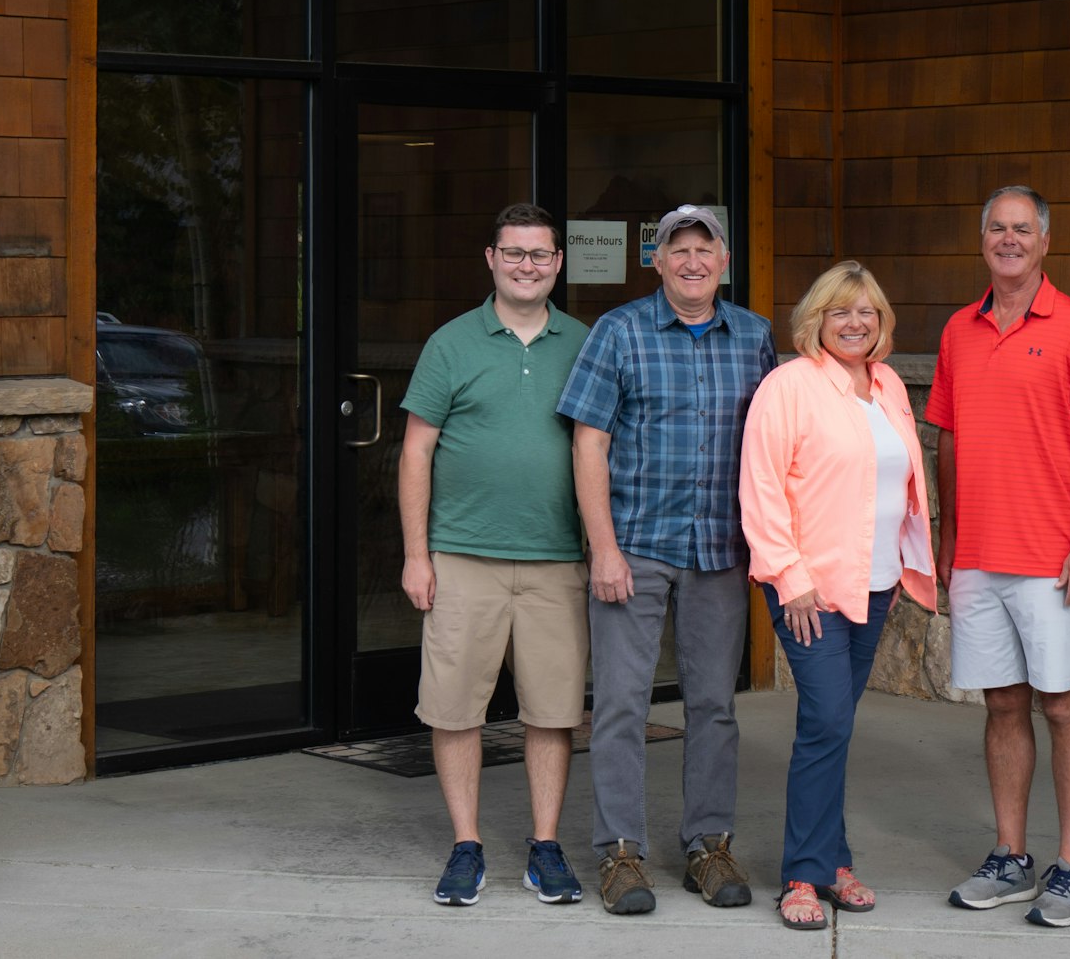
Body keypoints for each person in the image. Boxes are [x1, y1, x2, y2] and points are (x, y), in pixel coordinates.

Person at [557, 204, 777, 916]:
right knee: (620, 705)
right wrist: (604, 550)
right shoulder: (618, 332)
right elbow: (588, 442)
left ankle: (707, 847)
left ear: (724, 263)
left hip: (719, 552)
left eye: (703, 250)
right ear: (656, 261)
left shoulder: (754, 337)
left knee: (714, 707)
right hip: (636, 551)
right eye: (677, 250)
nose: (691, 262)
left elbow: (774, 444)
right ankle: (619, 854)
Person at [928, 186, 1070, 928]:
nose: (1008, 240)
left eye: (1022, 230)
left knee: (1064, 704)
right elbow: (946, 438)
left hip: (1053, 558)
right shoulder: (958, 330)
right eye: (996, 229)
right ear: (982, 240)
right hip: (978, 555)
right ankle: (1011, 856)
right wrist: (948, 543)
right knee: (1002, 703)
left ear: (1044, 242)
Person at [397, 202, 592, 908]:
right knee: (454, 709)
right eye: (515, 253)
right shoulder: (451, 344)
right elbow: (416, 450)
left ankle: (545, 847)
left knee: (552, 709)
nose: (527, 266)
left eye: (540, 255)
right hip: (464, 558)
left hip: (556, 560)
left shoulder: (584, 342)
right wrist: (417, 555)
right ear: (491, 259)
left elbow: (600, 447)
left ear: (558, 264)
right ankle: (466, 846)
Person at [740, 261, 938, 932]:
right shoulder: (788, 386)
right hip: (811, 589)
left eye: (867, 312)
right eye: (840, 311)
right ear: (815, 320)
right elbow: (761, 487)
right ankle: (804, 873)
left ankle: (833, 858)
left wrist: (911, 564)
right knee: (826, 722)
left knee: (835, 727)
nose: (855, 323)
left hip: (875, 584)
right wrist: (789, 577)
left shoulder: (885, 386)